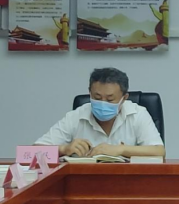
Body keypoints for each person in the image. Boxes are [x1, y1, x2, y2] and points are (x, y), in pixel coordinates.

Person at [35, 67, 165, 158]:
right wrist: (64, 149)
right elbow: (32, 152)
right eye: (97, 98)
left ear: (124, 98)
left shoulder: (138, 114)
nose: (102, 103)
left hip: (128, 182)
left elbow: (159, 151)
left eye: (110, 99)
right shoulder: (76, 116)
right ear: (89, 93)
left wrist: (121, 150)